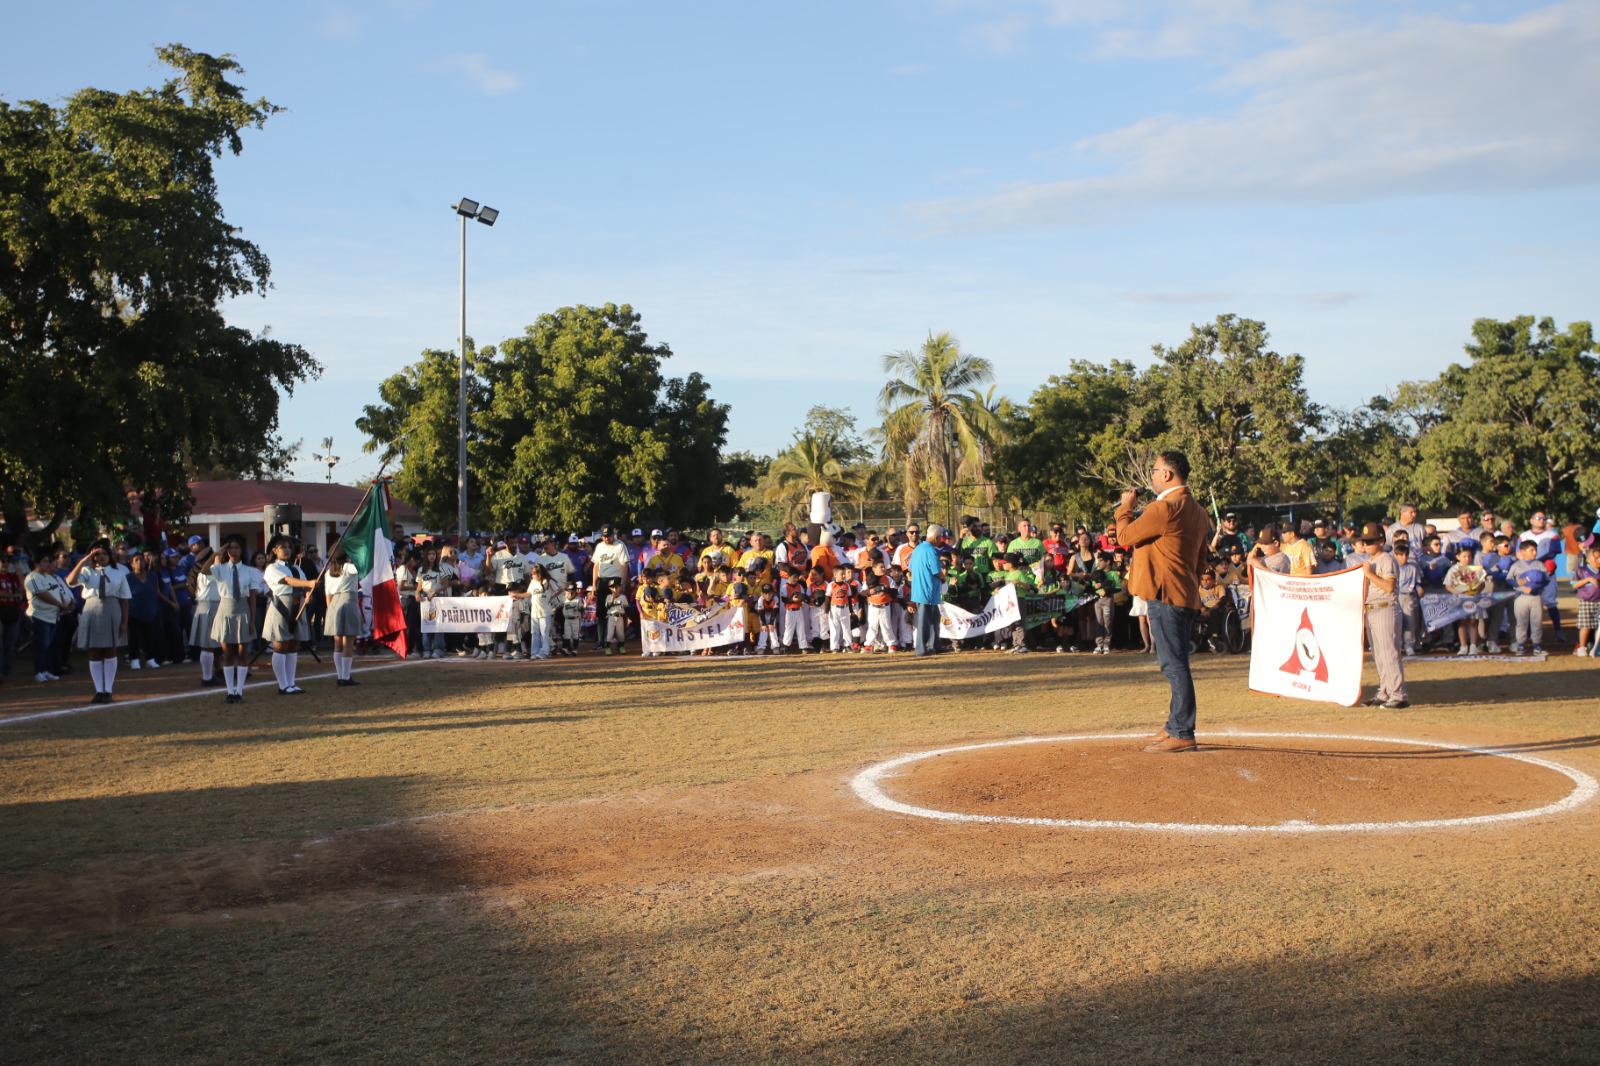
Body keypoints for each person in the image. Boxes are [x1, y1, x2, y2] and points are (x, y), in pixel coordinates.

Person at [1115, 450, 1210, 753]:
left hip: (1165, 594)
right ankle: (1175, 724)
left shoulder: (1164, 507)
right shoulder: (1196, 508)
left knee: (1174, 664)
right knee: (1176, 661)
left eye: (1154, 470)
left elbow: (1124, 537)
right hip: (1183, 593)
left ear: (1167, 475)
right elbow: (1201, 558)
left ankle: (1182, 730)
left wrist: (1124, 508)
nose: (1152, 476)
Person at [1353, 523, 1409, 709]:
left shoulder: (1386, 559)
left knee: (1389, 653)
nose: (1367, 545)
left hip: (1386, 607)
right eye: (1365, 542)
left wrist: (1369, 574)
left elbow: (1389, 587)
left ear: (1381, 541)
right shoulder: (1371, 560)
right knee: (1378, 654)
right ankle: (1384, 691)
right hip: (1372, 609)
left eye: (1371, 542)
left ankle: (1398, 694)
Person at [67, 541, 130, 704]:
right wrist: (83, 561)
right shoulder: (87, 571)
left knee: (110, 650)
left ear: (110, 556)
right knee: (94, 652)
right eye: (97, 554)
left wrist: (124, 622)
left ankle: (108, 690)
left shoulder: (118, 573)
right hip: (92, 609)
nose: (100, 557)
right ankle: (98, 690)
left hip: (112, 608)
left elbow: (124, 599)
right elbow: (70, 581)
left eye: (104, 554)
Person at [206, 535, 258, 703]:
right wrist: (217, 552)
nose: (233, 551)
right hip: (225, 610)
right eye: (230, 548)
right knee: (227, 653)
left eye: (236, 548)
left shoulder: (250, 571)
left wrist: (252, 619)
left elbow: (253, 597)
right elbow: (203, 571)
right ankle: (230, 691)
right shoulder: (219, 568)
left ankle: (240, 691)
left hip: (243, 610)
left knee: (243, 653)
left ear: (242, 550)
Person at [262, 534, 316, 694]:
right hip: (281, 607)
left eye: (288, 547)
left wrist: (308, 593)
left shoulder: (296, 568)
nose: (286, 550)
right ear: (275, 550)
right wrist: (307, 583)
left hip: (298, 606)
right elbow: (286, 580)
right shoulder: (272, 568)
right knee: (280, 645)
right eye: (282, 547)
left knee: (293, 645)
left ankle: (291, 683)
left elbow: (306, 587)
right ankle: (282, 685)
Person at [24, 553, 71, 683]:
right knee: (42, 645)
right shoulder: (32, 577)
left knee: (49, 645)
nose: (48, 564)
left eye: (48, 561)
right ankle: (39, 671)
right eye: (44, 561)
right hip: (39, 616)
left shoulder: (50, 577)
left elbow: (59, 592)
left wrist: (64, 604)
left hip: (52, 616)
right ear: (37, 563)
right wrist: (60, 605)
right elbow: (42, 594)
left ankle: (46, 670)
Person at [323, 546, 363, 685]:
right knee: (348, 642)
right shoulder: (348, 567)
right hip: (348, 601)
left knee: (338, 643)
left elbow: (328, 595)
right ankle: (345, 677)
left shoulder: (328, 572)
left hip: (333, 604)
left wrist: (331, 612)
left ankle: (341, 676)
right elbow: (362, 567)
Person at [1442, 543, 1488, 656]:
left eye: (1469, 556)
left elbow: (1482, 583)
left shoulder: (1476, 569)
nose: (1467, 559)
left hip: (1473, 598)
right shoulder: (1454, 569)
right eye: (1464, 556)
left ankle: (1473, 645)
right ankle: (1463, 646)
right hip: (1460, 599)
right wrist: (1457, 592)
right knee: (1462, 623)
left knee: (1473, 622)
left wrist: (1478, 589)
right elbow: (1448, 585)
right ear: (1458, 557)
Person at [589, 527, 630, 650]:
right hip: (603, 580)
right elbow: (596, 566)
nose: (607, 538)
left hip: (616, 580)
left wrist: (622, 584)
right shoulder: (600, 546)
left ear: (613, 535)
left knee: (618, 611)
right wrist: (594, 585)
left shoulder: (620, 545)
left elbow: (624, 565)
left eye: (609, 535)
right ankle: (601, 642)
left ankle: (620, 642)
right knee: (601, 612)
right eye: (604, 536)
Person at [187, 546, 223, 686]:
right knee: (208, 645)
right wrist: (216, 555)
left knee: (213, 645)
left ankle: (216, 670)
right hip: (209, 607)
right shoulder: (205, 573)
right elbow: (217, 567)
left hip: (209, 606)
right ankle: (207, 677)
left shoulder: (206, 572)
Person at [1507, 539, 1548, 655]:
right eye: (1532, 550)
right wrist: (1517, 583)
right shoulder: (1516, 565)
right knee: (1521, 622)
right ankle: (1520, 645)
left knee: (1537, 621)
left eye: (1535, 550)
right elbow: (1509, 579)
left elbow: (1546, 580)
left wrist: (1535, 587)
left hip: (1536, 596)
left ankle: (1537, 645)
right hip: (1521, 597)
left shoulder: (1540, 565)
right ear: (1523, 551)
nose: (1535, 552)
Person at [909, 525, 945, 656]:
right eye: (940, 537)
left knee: (934, 619)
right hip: (928, 591)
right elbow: (937, 571)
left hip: (920, 590)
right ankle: (921, 649)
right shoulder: (931, 551)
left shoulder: (918, 549)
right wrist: (944, 578)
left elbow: (911, 568)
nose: (941, 539)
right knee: (925, 621)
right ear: (936, 537)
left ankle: (934, 646)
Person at [1573, 545, 1600, 658]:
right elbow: (1574, 585)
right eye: (1597, 558)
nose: (1599, 560)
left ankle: (1596, 647)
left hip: (1599, 601)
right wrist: (1588, 580)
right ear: (1588, 559)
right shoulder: (1582, 570)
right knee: (1586, 625)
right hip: (1586, 602)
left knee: (1598, 626)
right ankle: (1582, 647)